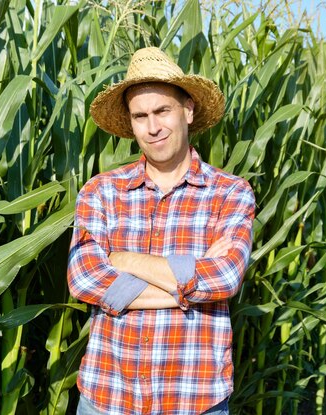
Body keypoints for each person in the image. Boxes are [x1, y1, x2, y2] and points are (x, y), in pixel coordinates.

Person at [67, 47, 255, 415]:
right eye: (140, 116)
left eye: (162, 111)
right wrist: (190, 285)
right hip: (108, 396)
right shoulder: (101, 191)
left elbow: (226, 277)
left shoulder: (230, 192)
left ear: (188, 110)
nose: (152, 127)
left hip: (195, 399)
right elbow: (84, 279)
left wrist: (123, 260)